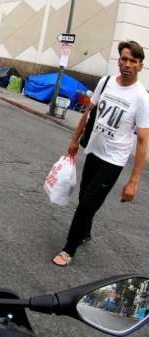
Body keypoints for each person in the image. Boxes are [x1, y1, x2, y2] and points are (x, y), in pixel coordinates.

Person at [53, 40, 149, 267]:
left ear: (140, 66)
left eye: (132, 61)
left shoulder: (142, 98)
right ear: (119, 60)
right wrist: (75, 140)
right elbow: (88, 113)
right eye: (123, 59)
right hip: (94, 150)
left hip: (114, 160)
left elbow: (143, 140)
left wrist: (134, 180)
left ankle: (69, 248)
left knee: (87, 204)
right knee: (84, 197)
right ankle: (85, 231)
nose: (127, 64)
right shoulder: (105, 83)